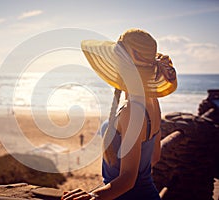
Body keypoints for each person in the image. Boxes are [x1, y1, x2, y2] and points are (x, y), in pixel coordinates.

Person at [62, 29, 177, 200]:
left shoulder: (131, 111)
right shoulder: (152, 101)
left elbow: (128, 180)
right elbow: (154, 157)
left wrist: (94, 196)